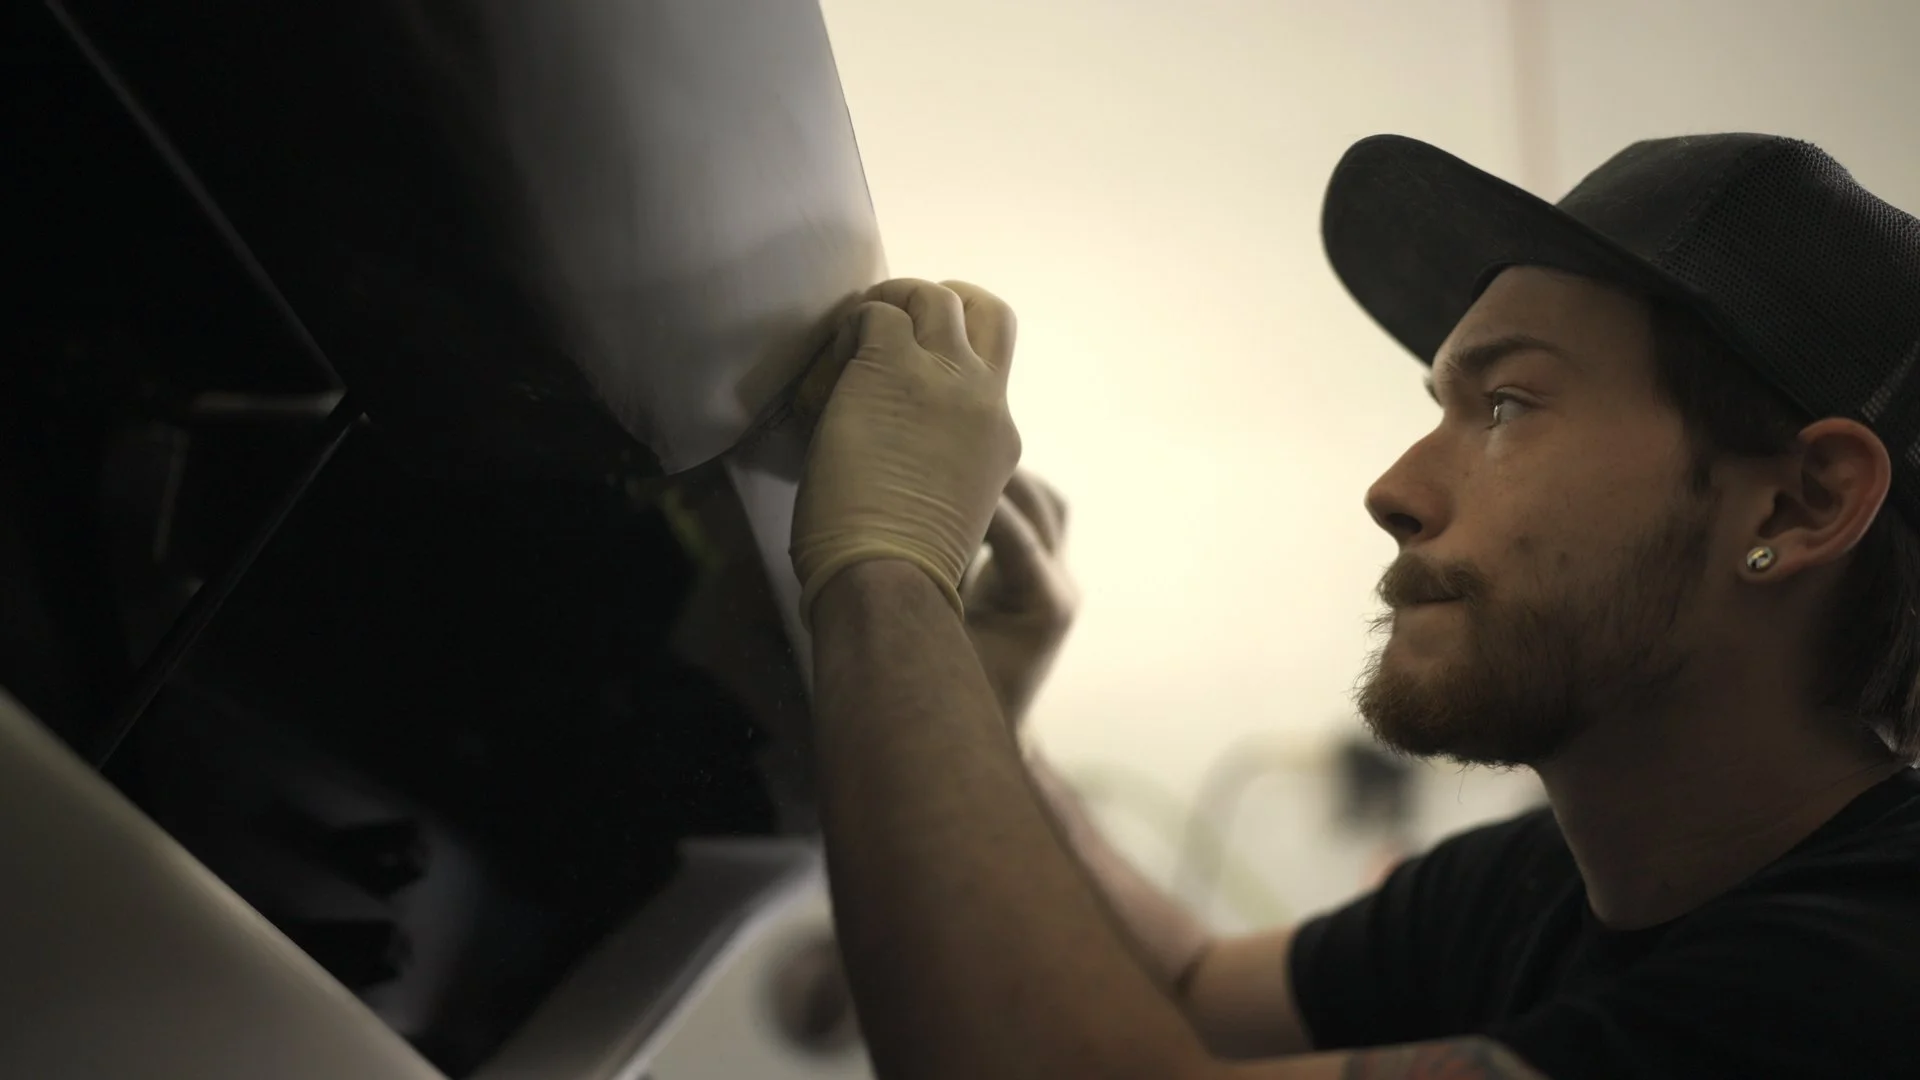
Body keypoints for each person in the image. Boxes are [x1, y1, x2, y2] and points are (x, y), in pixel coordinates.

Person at [784, 133, 1920, 1080]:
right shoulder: (1539, 881)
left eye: (1507, 405)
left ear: (1797, 503)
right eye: (1442, 406)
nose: (1394, 491)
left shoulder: (1864, 979)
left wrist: (889, 573)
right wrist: (994, 719)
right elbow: (1189, 994)